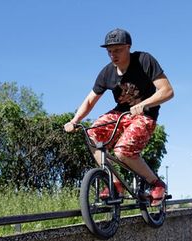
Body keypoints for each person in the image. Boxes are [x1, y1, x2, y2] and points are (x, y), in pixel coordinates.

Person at [64, 28, 174, 205]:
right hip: (121, 113)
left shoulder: (144, 60)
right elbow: (90, 100)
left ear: (128, 47)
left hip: (145, 115)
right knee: (92, 134)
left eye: (117, 50)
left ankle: (156, 182)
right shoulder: (107, 72)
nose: (113, 55)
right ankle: (115, 184)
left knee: (122, 152)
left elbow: (167, 91)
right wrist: (75, 120)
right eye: (109, 51)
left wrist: (144, 104)